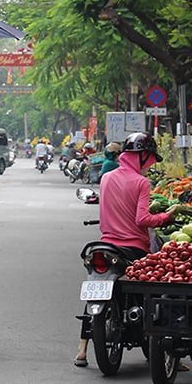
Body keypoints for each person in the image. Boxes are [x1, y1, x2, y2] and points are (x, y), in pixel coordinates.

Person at [74, 133, 180, 367]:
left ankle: (82, 349)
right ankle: (160, 341)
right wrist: (165, 217)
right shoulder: (142, 183)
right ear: (141, 157)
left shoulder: (106, 177)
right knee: (155, 284)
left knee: (95, 285)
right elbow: (142, 219)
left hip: (107, 245)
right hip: (134, 248)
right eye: (150, 158)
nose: (150, 164)